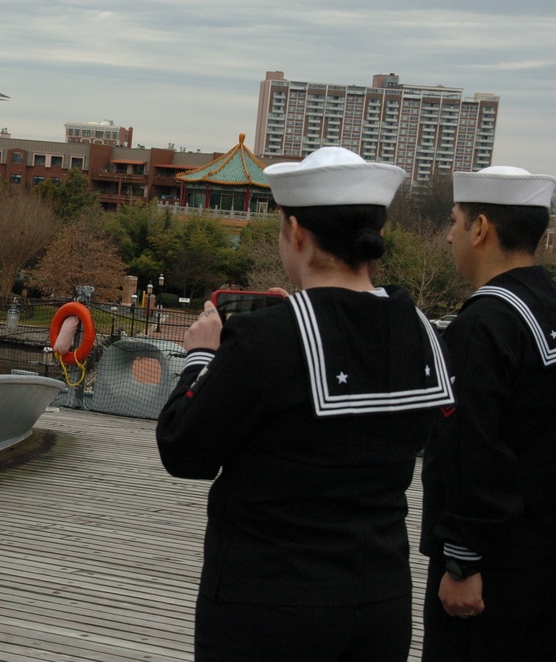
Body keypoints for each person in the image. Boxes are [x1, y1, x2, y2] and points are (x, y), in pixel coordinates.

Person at [156, 147, 455, 661]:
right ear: (376, 235)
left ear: (296, 232)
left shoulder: (265, 340)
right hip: (379, 600)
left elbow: (184, 450)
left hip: (270, 605)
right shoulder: (421, 330)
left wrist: (203, 358)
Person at [420, 166, 556, 662]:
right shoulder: (545, 303)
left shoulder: (486, 322)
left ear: (481, 229)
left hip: (494, 568)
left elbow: (470, 448)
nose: (450, 234)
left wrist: (462, 559)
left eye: (455, 221)